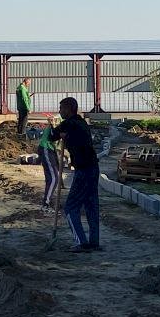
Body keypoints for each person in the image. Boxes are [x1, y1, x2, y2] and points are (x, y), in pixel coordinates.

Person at [51, 96, 100, 253]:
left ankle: (81, 242)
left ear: (69, 109)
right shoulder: (82, 122)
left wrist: (53, 127)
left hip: (83, 170)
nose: (59, 111)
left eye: (61, 108)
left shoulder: (70, 123)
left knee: (71, 207)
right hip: (93, 168)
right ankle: (94, 242)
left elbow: (52, 136)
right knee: (91, 205)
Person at [36, 117, 60, 215]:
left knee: (51, 178)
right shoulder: (58, 124)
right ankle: (46, 204)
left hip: (49, 149)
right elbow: (53, 136)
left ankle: (47, 202)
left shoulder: (59, 122)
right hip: (47, 148)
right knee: (54, 178)